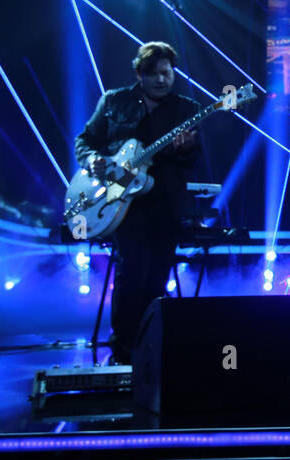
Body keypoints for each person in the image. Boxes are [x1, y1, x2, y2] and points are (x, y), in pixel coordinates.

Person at [74, 42, 201, 364]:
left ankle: (153, 347)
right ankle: (123, 349)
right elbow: (85, 140)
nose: (162, 80)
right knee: (132, 272)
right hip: (120, 203)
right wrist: (92, 161)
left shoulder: (186, 109)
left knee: (157, 275)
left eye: (167, 73)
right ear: (138, 74)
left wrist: (185, 148)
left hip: (164, 202)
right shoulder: (114, 101)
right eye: (154, 74)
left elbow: (193, 161)